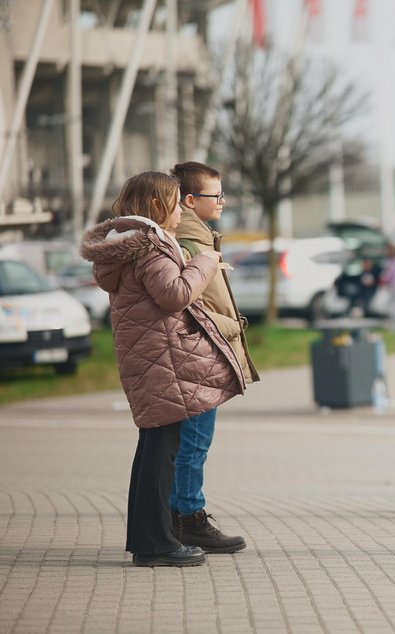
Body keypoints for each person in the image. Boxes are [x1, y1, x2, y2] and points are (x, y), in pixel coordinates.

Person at [80, 171, 245, 566]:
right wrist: (204, 263)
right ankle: (157, 545)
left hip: (150, 358)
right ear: (158, 206)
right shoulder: (152, 246)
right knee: (162, 452)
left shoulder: (130, 246)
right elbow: (174, 295)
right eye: (174, 202)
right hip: (162, 359)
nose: (177, 211)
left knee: (154, 449)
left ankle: (150, 539)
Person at [170, 161, 259, 554]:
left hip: (204, 354)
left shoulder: (203, 239)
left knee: (192, 441)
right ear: (190, 200)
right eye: (215, 195)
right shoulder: (192, 245)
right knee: (195, 441)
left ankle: (182, 516)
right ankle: (188, 518)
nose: (222, 201)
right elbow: (191, 305)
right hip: (200, 356)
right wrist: (230, 328)